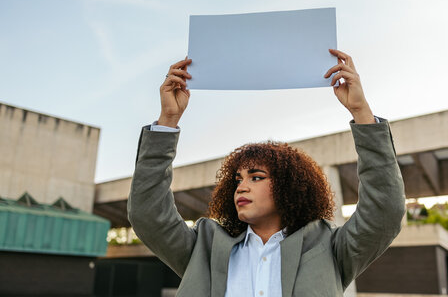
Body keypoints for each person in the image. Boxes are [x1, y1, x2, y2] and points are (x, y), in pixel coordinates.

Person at [127, 49, 405, 297]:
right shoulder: (204, 246)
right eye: (238, 179)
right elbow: (148, 213)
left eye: (256, 177)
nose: (241, 187)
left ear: (289, 187)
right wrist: (168, 121)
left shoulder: (330, 247)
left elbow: (384, 210)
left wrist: (361, 111)